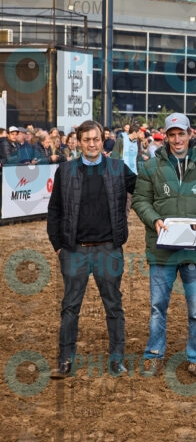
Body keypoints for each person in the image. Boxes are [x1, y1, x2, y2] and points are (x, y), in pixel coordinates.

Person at [132, 113, 196, 379]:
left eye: (181, 134)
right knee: (157, 308)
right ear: (165, 136)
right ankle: (154, 354)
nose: (177, 139)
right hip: (161, 250)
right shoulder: (151, 166)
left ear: (190, 134)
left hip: (195, 251)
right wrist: (154, 220)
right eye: (172, 134)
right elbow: (140, 200)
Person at [46, 120, 137, 378]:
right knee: (70, 307)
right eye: (86, 140)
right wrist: (58, 246)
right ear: (78, 142)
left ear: (102, 139)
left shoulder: (118, 168)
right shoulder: (65, 171)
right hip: (74, 250)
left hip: (108, 249)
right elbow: (54, 210)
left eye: (96, 139)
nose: (92, 144)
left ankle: (117, 360)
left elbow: (143, 190)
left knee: (114, 306)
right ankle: (65, 361)